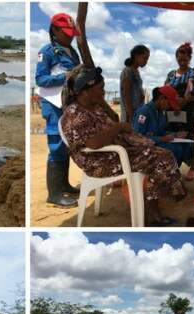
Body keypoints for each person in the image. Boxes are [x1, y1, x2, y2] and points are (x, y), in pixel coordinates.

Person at [60, 66, 186, 225]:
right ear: (86, 91)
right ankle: (155, 209)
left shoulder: (94, 108)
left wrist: (114, 120)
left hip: (111, 154)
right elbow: (94, 143)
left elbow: (110, 123)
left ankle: (153, 210)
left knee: (158, 153)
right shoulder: (75, 114)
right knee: (160, 157)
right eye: (100, 89)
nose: (103, 93)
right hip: (98, 162)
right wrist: (119, 127)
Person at [35, 13, 82, 207]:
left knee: (65, 145)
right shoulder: (47, 52)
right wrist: (65, 77)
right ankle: (54, 194)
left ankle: (64, 185)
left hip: (69, 104)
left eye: (72, 33)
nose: (70, 36)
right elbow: (40, 79)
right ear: (54, 30)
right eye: (66, 32)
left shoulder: (73, 52)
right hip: (53, 105)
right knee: (56, 144)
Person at [132, 85, 194, 170]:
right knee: (175, 149)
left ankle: (173, 171)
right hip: (145, 147)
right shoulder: (144, 112)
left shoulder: (161, 113)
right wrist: (161, 139)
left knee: (186, 146)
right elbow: (137, 137)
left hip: (157, 143)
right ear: (161, 98)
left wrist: (175, 134)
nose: (169, 107)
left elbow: (161, 131)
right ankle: (169, 172)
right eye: (169, 103)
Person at [164, 42, 194, 181]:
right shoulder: (171, 74)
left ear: (189, 58)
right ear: (176, 58)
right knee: (174, 136)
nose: (182, 62)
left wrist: (182, 103)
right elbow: (166, 91)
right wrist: (174, 105)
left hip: (189, 112)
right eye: (180, 59)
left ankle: (192, 168)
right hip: (173, 111)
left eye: (185, 59)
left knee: (190, 138)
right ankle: (176, 165)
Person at [120, 45, 149, 123]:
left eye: (147, 59)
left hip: (138, 111)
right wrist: (131, 115)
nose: (146, 61)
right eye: (144, 58)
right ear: (136, 56)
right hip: (130, 114)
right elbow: (127, 94)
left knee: (140, 130)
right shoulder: (128, 71)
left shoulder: (136, 72)